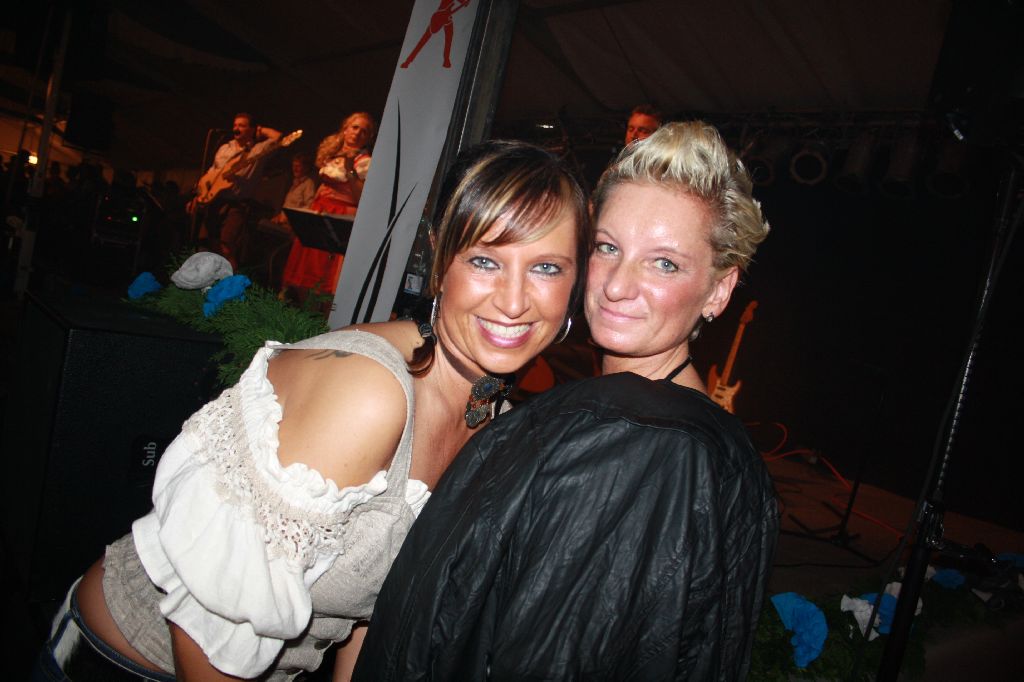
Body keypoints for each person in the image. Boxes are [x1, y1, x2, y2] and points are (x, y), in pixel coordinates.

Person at [33, 140, 589, 682]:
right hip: (121, 662)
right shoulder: (369, 393)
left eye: (546, 268)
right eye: (485, 260)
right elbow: (207, 631)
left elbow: (370, 611)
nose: (514, 301)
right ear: (440, 260)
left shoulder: (490, 412)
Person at [351, 121, 777, 681]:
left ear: (719, 289)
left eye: (664, 263)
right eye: (608, 248)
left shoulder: (635, 443)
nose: (617, 286)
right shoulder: (699, 438)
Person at [281, 112, 376, 307]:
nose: (358, 133)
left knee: (326, 279)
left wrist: (350, 169)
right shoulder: (332, 154)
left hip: (339, 216)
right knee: (304, 275)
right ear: (345, 129)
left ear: (369, 138)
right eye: (355, 127)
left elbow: (361, 199)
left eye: (364, 131)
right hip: (319, 212)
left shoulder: (365, 162)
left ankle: (320, 320)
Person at [189, 112, 283, 267]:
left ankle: (230, 280)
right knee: (210, 244)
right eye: (235, 125)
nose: (236, 128)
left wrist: (262, 130)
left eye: (242, 125)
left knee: (227, 247)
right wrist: (199, 195)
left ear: (251, 129)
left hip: (237, 204)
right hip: (214, 201)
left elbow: (279, 138)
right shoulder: (225, 148)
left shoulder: (258, 150)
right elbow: (211, 172)